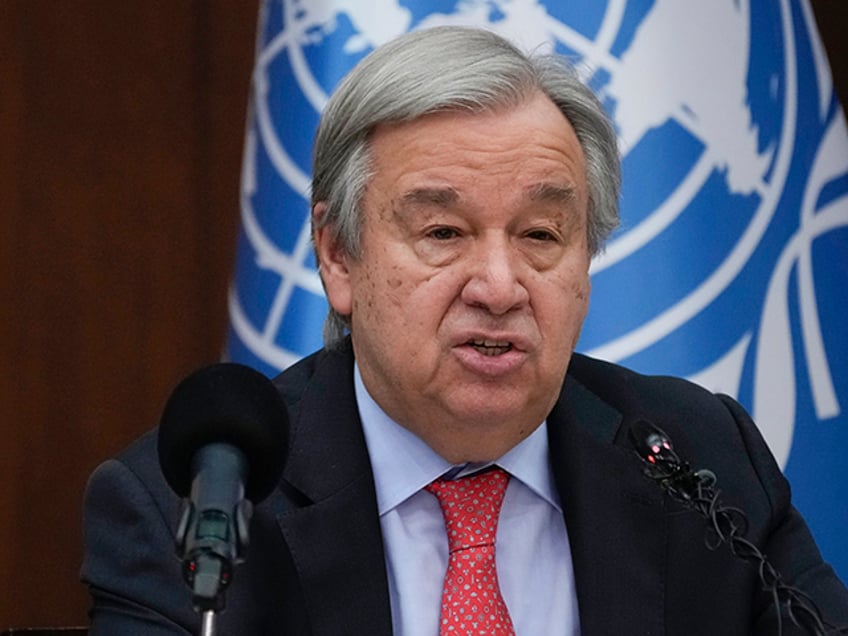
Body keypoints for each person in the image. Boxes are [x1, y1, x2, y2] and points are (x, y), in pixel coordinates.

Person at [81, 26, 848, 635]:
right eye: (444, 232)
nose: (500, 285)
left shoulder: (702, 461)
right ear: (338, 255)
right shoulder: (196, 511)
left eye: (542, 236)